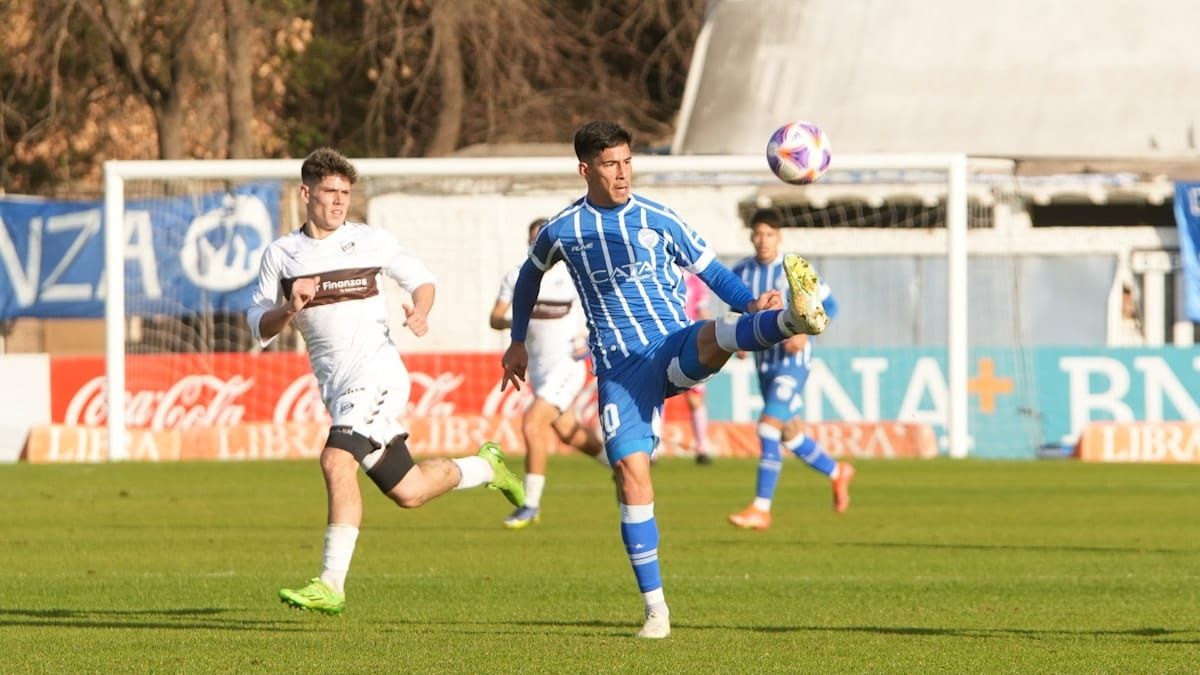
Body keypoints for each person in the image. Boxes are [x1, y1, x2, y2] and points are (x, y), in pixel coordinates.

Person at [500, 121, 829, 639]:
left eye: (628, 161)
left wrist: (750, 301)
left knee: (716, 335)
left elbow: (712, 272)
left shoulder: (660, 218)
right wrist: (517, 340)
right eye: (611, 164)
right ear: (586, 169)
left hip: (669, 343)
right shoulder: (562, 230)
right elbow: (527, 278)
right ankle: (656, 610)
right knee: (631, 475)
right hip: (618, 371)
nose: (623, 172)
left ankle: (791, 318)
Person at [248, 147, 524, 615]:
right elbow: (257, 324)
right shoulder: (282, 254)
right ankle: (486, 468)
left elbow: (422, 279)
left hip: (377, 375)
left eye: (345, 193)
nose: (338, 201)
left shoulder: (370, 240)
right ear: (305, 193)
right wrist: (289, 309)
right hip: (338, 390)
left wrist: (421, 310)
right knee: (410, 490)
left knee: (337, 460)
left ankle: (331, 583)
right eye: (329, 192)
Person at [727, 208, 855, 531]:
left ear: (779, 237)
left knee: (768, 428)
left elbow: (832, 305)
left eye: (769, 234)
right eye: (757, 233)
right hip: (765, 364)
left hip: (792, 363)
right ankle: (837, 472)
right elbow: (735, 314)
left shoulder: (794, 270)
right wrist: (737, 341)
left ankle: (761, 508)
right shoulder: (742, 271)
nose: (762, 240)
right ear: (751, 236)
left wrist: (803, 331)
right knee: (789, 434)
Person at [489, 218, 608, 529]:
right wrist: (519, 323)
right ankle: (622, 464)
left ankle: (530, 504)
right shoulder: (517, 276)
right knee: (567, 430)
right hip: (539, 371)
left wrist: (588, 337)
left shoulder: (572, 275)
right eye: (534, 240)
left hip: (568, 367)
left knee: (532, 423)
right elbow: (495, 317)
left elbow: (597, 308)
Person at [682, 272, 714, 464]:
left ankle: (702, 447)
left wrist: (713, 335)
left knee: (695, 397)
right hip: (662, 340)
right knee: (656, 396)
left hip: (690, 343)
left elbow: (702, 311)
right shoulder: (658, 271)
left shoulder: (695, 280)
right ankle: (654, 450)